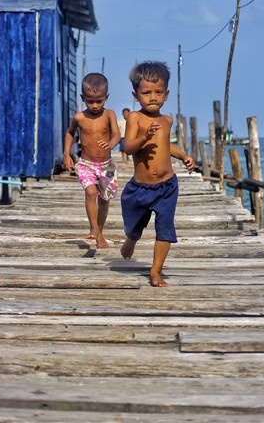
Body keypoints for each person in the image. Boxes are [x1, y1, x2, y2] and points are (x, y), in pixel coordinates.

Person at [120, 61, 194, 287]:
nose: (152, 97)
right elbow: (128, 147)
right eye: (146, 92)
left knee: (165, 228)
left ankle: (155, 271)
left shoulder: (166, 121)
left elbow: (164, 146)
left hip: (167, 186)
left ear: (166, 94)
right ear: (136, 95)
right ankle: (132, 238)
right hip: (140, 188)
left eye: (158, 92)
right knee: (134, 224)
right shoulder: (135, 118)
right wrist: (144, 137)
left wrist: (182, 156)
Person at [63, 73, 121, 249]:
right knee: (90, 192)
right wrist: (67, 154)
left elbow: (117, 134)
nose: (95, 105)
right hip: (86, 164)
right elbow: (69, 133)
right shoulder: (79, 118)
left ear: (106, 97)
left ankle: (100, 232)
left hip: (107, 166)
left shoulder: (109, 115)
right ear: (82, 98)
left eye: (99, 101)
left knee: (104, 200)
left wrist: (110, 143)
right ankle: (93, 227)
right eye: (90, 101)